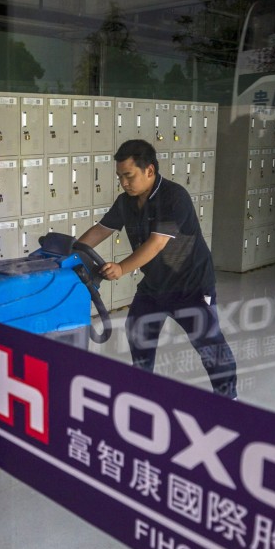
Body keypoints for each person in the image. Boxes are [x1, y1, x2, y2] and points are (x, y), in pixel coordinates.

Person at [77, 138, 238, 399]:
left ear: (149, 170)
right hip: (156, 283)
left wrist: (121, 268)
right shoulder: (125, 201)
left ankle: (228, 398)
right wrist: (72, 251)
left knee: (208, 343)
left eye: (129, 176)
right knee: (137, 329)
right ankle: (143, 387)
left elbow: (156, 244)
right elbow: (101, 230)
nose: (124, 183)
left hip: (191, 284)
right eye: (120, 177)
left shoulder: (174, 197)